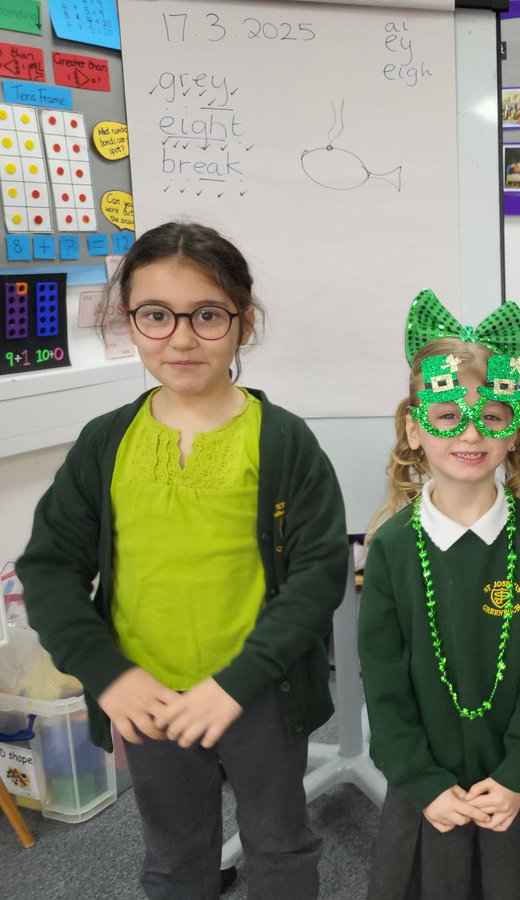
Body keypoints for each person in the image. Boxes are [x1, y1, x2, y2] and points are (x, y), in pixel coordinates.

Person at [16, 222, 348, 898]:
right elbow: (50, 567)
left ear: (243, 321)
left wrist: (237, 682)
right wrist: (109, 676)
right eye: (156, 316)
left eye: (207, 314)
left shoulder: (283, 441)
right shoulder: (107, 443)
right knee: (175, 857)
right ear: (128, 322)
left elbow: (318, 576)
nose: (183, 337)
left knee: (280, 847)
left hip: (259, 693)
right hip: (148, 698)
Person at [359, 291, 520, 900]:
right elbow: (384, 681)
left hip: (508, 791)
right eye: (448, 415)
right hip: (424, 794)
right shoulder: (393, 547)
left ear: (512, 430)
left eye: (492, 416)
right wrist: (421, 780)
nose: (470, 433)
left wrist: (518, 771)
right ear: (414, 429)